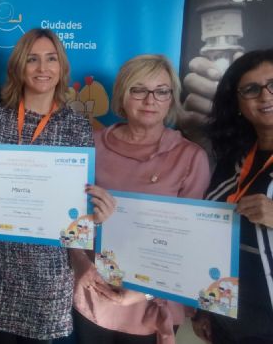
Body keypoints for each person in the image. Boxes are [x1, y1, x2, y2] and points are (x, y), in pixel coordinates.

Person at [0, 28, 116, 343]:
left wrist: (94, 216)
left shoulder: (77, 127)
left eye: (51, 59)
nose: (42, 68)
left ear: (62, 67)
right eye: (32, 59)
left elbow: (77, 206)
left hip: (47, 276)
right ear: (19, 66)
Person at [71, 54, 210, 344]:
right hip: (93, 294)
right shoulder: (91, 145)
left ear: (171, 99)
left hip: (151, 305)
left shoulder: (190, 157)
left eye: (161, 91)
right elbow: (69, 218)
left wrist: (145, 291)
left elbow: (192, 242)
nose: (150, 100)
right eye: (139, 90)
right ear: (122, 94)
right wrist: (81, 266)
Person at [192, 49, 273, 343]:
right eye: (251, 89)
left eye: (272, 85)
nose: (265, 96)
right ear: (237, 104)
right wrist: (204, 308)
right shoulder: (232, 159)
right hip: (228, 315)